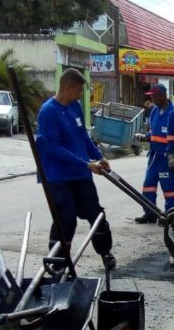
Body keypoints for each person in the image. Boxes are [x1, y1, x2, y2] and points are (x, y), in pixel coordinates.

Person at [35, 68, 115, 270]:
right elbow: (53, 148)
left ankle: (105, 252)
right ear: (67, 87)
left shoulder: (75, 107)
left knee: (96, 215)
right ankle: (58, 263)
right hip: (57, 177)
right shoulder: (48, 112)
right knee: (66, 220)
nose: (81, 95)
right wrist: (86, 164)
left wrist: (99, 156)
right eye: (79, 90)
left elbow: (83, 138)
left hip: (80, 174)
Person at [136, 84, 174, 223]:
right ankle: (150, 213)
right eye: (151, 96)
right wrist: (146, 136)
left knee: (169, 189)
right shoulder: (154, 111)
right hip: (154, 156)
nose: (152, 98)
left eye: (154, 96)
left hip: (167, 157)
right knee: (148, 186)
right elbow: (156, 131)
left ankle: (171, 216)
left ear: (162, 95)